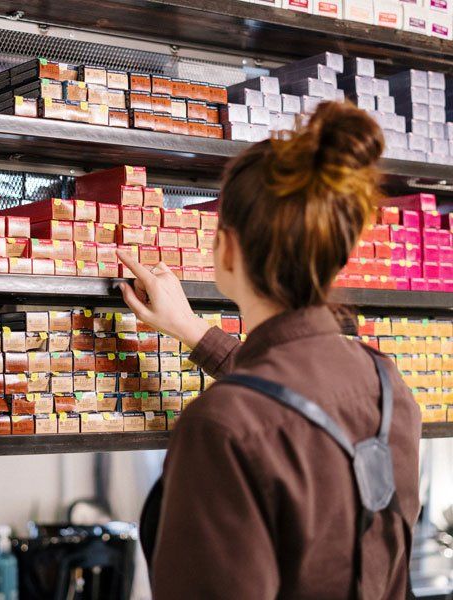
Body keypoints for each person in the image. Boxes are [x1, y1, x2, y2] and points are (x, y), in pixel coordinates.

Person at [116, 100, 421, 600]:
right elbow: (292, 404)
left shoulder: (220, 427)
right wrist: (194, 331)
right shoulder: (387, 388)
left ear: (227, 248)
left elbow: (271, 417)